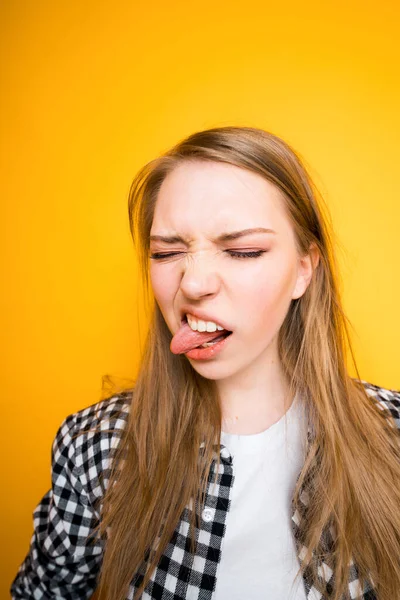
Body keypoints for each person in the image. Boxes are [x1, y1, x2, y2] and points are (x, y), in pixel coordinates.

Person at [11, 126, 400, 600]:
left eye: (242, 251)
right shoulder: (95, 449)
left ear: (304, 269)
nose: (192, 283)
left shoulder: (394, 436)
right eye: (167, 252)